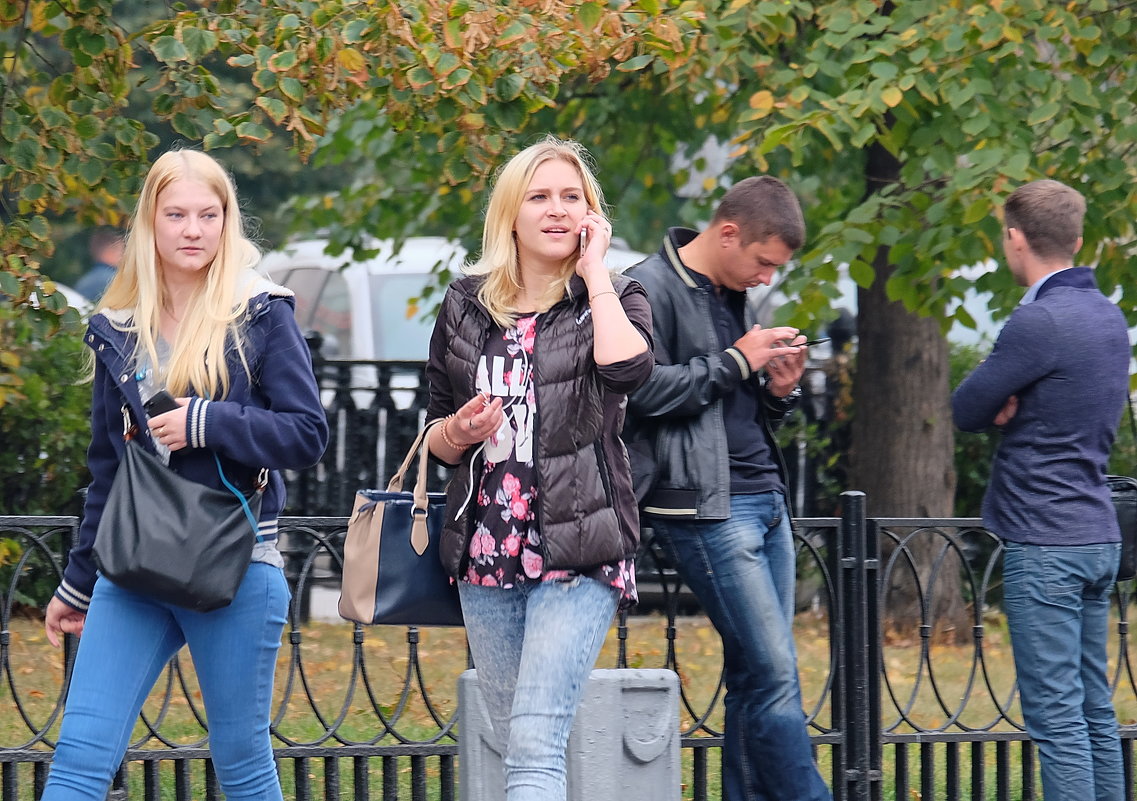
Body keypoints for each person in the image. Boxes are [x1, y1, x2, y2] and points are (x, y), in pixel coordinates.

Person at [41, 149, 329, 801]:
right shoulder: (118, 327)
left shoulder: (259, 312)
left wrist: (207, 421)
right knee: (79, 757)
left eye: (209, 214)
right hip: (134, 565)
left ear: (227, 223)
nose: (193, 229)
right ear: (150, 223)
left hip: (236, 562)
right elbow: (107, 470)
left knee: (241, 762)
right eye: (176, 214)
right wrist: (78, 583)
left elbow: (307, 433)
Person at [424, 135, 653, 800]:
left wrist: (597, 275)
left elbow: (628, 370)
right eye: (539, 196)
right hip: (485, 552)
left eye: (571, 197)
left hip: (581, 549)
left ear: (590, 214)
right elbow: (434, 436)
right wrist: (460, 430)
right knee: (511, 738)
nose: (556, 210)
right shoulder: (466, 303)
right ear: (511, 214)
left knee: (532, 743)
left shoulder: (613, 297)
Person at [622, 176, 832, 801]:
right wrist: (738, 362)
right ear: (729, 232)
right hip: (705, 509)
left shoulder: (732, 289)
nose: (768, 278)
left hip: (765, 500)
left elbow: (730, 412)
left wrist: (777, 390)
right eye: (764, 263)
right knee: (774, 673)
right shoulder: (644, 287)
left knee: (750, 673)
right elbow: (639, 392)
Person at [952, 179, 1129, 801]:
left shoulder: (1039, 321)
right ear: (1078, 241)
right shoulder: (1109, 318)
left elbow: (966, 408)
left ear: (1014, 237)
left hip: (1044, 539)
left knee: (1056, 720)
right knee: (1094, 713)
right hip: (1097, 533)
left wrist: (1005, 403)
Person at [73, 227, 125, 302]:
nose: (123, 255)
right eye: (121, 249)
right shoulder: (113, 280)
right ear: (111, 248)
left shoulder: (86, 280)